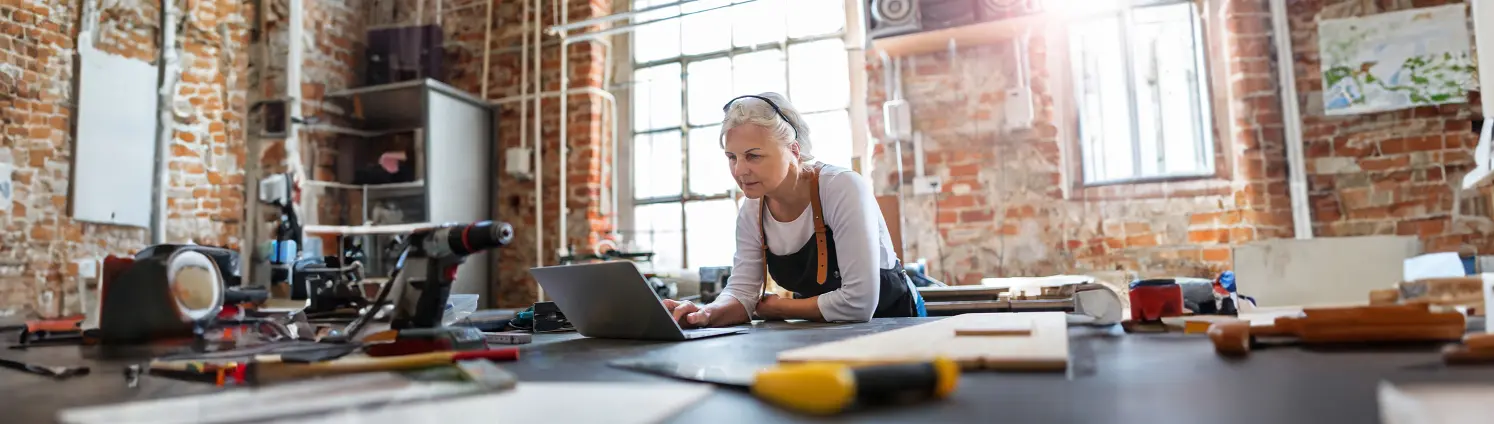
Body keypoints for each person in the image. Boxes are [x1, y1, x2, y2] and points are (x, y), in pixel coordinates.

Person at [663, 92, 925, 328]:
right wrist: (705, 314)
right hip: (821, 333)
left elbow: (859, 303)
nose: (740, 170)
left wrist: (780, 308)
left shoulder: (841, 187)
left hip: (894, 326)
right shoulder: (752, 210)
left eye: (753, 156)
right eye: (732, 157)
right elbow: (742, 293)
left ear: (794, 150)